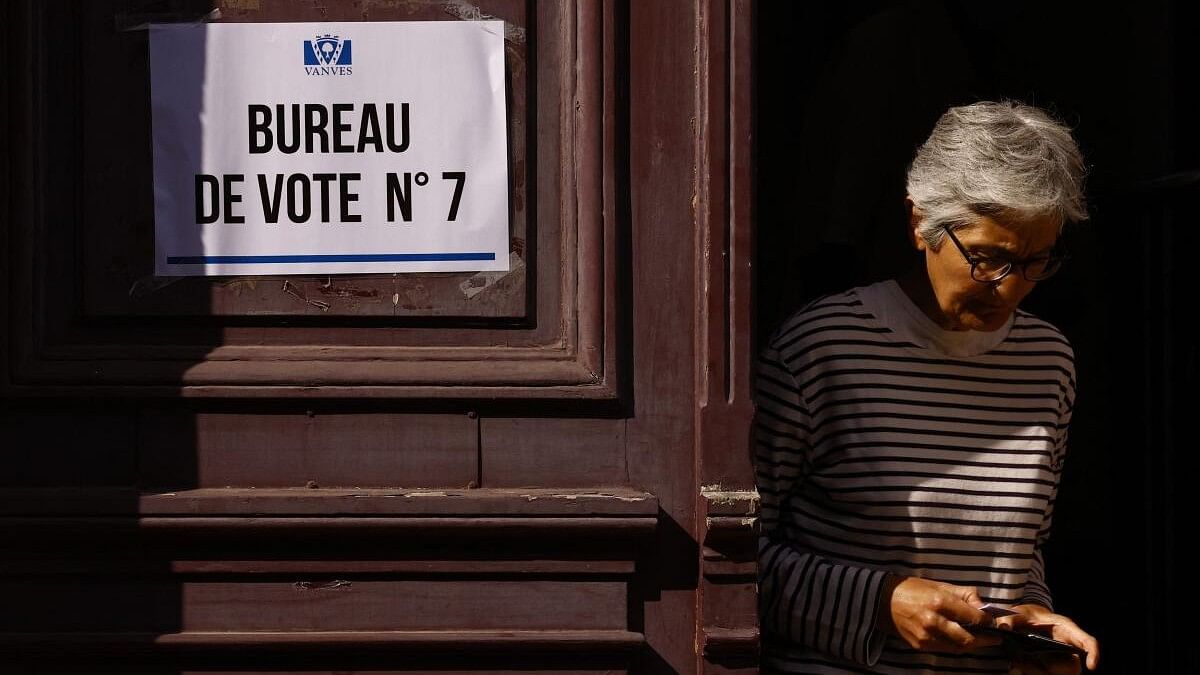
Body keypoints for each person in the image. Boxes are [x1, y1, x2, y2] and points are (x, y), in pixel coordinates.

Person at [755, 101, 1100, 674]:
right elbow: (731, 560)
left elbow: (1021, 551)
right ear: (920, 224)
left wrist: (1032, 618)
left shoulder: (1048, 361)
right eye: (989, 259)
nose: (1011, 289)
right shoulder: (820, 348)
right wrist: (881, 602)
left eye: (1036, 262)